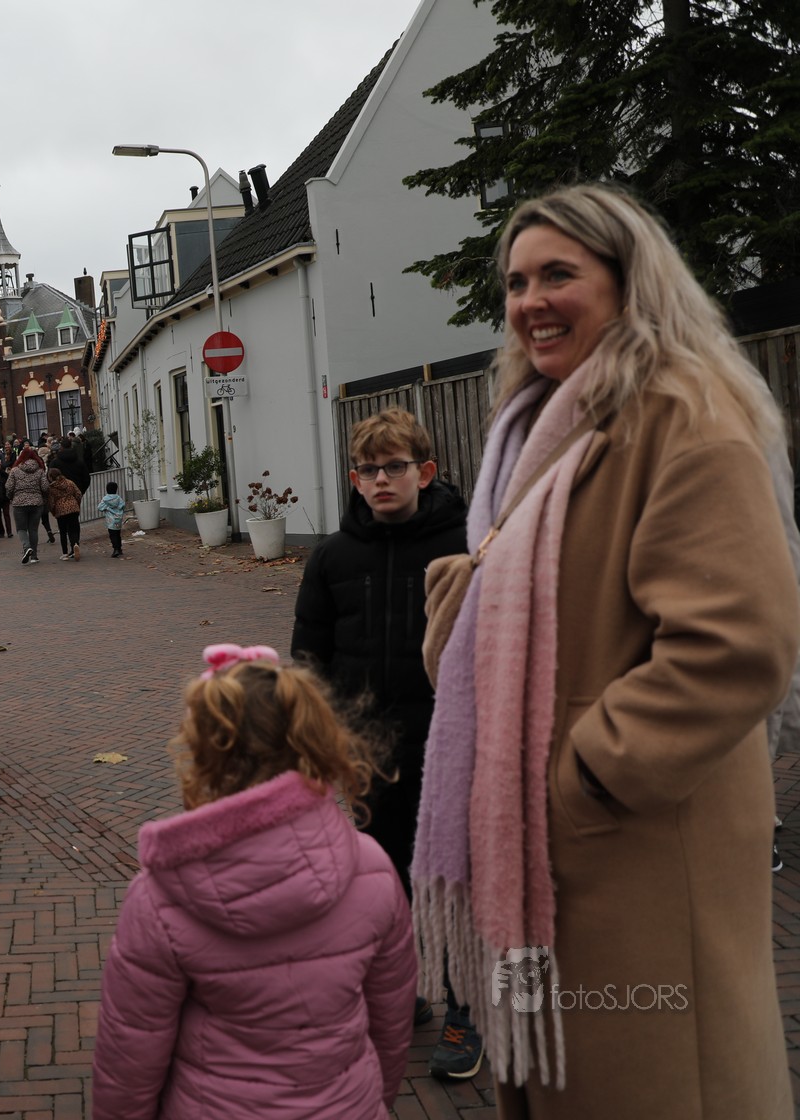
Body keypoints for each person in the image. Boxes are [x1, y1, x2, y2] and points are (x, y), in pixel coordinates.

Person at [415, 183, 799, 1119]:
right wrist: (469, 592)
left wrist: (583, 777)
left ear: (630, 283)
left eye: (558, 275)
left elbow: (737, 643)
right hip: (569, 850)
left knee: (659, 1081)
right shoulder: (542, 428)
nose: (529, 301)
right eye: (515, 282)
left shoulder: (682, 414)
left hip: (642, 850)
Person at [93, 644, 415, 1120]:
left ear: (206, 755)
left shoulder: (161, 898)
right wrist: (371, 1102)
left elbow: (130, 1058)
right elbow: (392, 1022)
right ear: (311, 739)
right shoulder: (373, 869)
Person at [288, 406, 473, 1076]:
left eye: (395, 466)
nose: (381, 480)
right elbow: (309, 658)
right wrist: (317, 740)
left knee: (451, 879)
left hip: (449, 744)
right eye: (369, 470)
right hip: (366, 752)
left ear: (425, 471)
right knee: (385, 882)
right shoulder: (333, 557)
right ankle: (403, 992)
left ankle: (465, 1010)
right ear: (354, 480)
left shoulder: (466, 545)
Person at [5, 447, 48, 564]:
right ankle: (34, 556)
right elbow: (45, 487)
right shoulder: (40, 470)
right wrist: (43, 497)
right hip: (36, 503)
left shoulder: (14, 470)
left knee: (21, 528)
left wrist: (11, 497)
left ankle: (26, 546)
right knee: (33, 529)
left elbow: (9, 487)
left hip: (19, 503)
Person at [46, 467, 83, 561]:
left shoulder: (51, 488)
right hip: (73, 508)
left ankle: (65, 553)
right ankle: (75, 545)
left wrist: (53, 512)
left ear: (51, 477)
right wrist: (76, 504)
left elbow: (51, 502)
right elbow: (78, 494)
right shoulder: (69, 482)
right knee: (73, 529)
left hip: (60, 510)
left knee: (63, 532)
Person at [98, 480, 127, 557]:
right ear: (116, 489)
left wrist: (107, 508)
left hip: (110, 520)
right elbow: (123, 505)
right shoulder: (118, 498)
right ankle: (119, 549)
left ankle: (115, 549)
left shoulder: (105, 499)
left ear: (107, 489)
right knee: (118, 534)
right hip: (118, 519)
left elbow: (100, 507)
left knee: (112, 535)